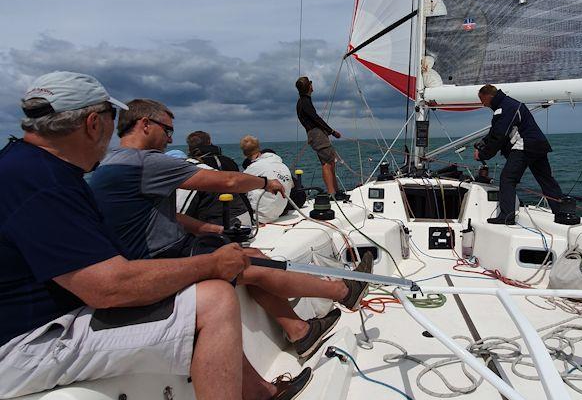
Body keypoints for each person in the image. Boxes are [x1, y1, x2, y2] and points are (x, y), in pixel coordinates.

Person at [0, 72, 314, 400]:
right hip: (26, 344)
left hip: (46, 319)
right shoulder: (43, 182)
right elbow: (107, 288)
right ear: (94, 123)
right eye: (111, 119)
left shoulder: (27, 167)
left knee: (196, 290)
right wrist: (212, 262)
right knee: (214, 299)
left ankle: (260, 397)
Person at [90, 99, 373, 358]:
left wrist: (204, 228)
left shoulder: (109, 163)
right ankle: (343, 291)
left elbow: (163, 215)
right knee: (253, 262)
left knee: (248, 257)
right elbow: (226, 182)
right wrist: (265, 183)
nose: (170, 138)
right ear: (145, 124)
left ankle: (300, 331)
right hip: (156, 263)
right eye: (167, 130)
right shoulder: (144, 163)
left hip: (146, 256)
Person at [474, 84, 564, 224]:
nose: (483, 104)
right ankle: (561, 213)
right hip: (538, 145)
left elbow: (499, 135)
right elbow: (497, 130)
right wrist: (483, 142)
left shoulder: (505, 108)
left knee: (507, 179)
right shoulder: (508, 105)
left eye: (482, 100)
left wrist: (482, 155)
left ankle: (507, 217)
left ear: (489, 96)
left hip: (525, 145)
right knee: (546, 180)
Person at [295, 76, 346, 199]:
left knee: (330, 162)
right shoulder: (305, 102)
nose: (312, 86)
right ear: (309, 87)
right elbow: (315, 118)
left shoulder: (303, 101)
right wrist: (332, 131)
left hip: (315, 134)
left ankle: (335, 191)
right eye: (311, 84)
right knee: (327, 163)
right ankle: (331, 193)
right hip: (317, 134)